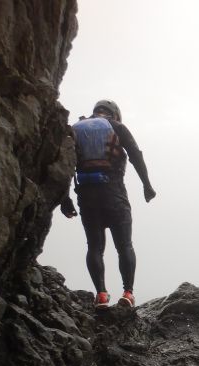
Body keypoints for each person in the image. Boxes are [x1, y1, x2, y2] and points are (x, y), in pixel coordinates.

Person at [59, 99, 156, 309]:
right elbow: (135, 155)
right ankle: (128, 293)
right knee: (124, 246)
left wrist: (64, 197)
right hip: (114, 194)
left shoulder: (75, 130)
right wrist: (147, 185)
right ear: (114, 113)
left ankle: (101, 294)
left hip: (86, 196)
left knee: (95, 247)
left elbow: (64, 163)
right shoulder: (116, 126)